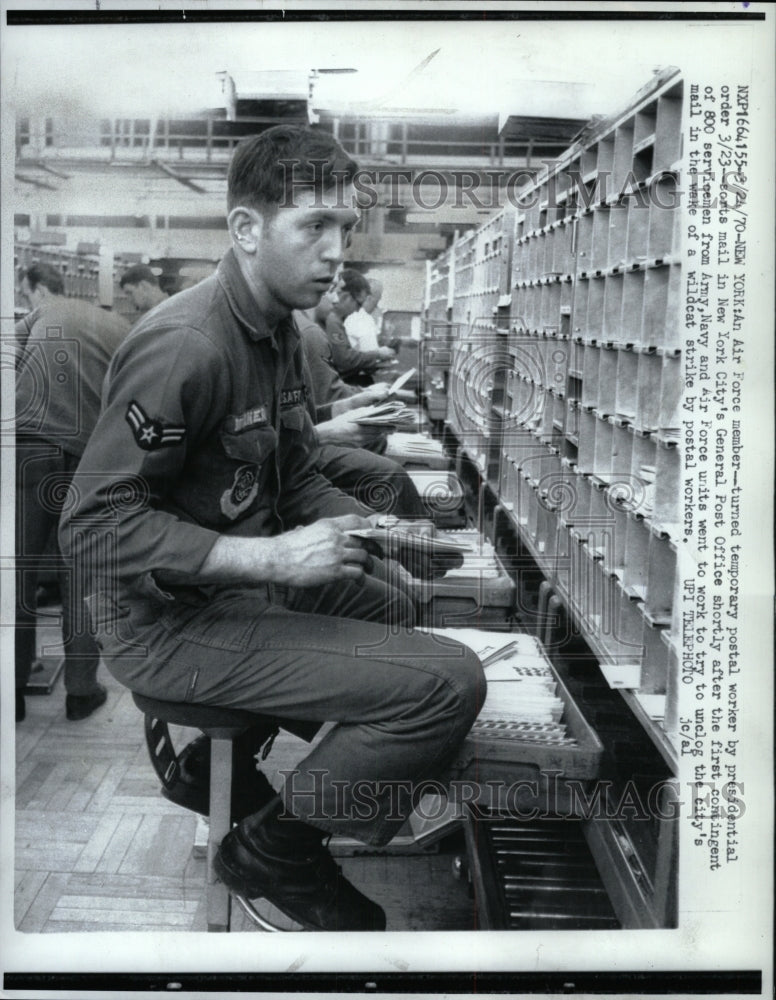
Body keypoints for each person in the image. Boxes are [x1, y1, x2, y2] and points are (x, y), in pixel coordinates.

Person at [60, 125, 484, 932]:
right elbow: (89, 523)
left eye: (346, 230)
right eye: (314, 226)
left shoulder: (282, 334)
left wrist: (377, 530)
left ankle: (228, 776)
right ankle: (280, 846)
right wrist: (268, 555)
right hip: (165, 625)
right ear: (247, 231)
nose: (335, 252)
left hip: (230, 597)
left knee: (395, 607)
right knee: (447, 680)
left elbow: (295, 480)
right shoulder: (186, 345)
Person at [15, 262, 132, 723]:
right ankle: (82, 691)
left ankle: (11, 691)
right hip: (90, 458)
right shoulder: (119, 325)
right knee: (84, 580)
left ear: (40, 290)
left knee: (18, 577)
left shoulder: (40, 315)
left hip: (29, 448)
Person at [295, 310, 426, 520]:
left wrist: (346, 405)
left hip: (296, 456)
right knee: (390, 476)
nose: (335, 285)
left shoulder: (293, 329)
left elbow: (299, 413)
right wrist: (324, 434)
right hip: (290, 467)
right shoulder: (308, 331)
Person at [324, 269, 395, 384]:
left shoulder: (336, 320)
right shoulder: (332, 320)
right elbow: (344, 360)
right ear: (345, 297)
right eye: (358, 304)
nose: (358, 310)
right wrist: (377, 354)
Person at [344, 275, 382, 352]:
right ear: (369, 298)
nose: (377, 307)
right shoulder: (364, 319)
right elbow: (371, 356)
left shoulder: (348, 313)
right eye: (377, 300)